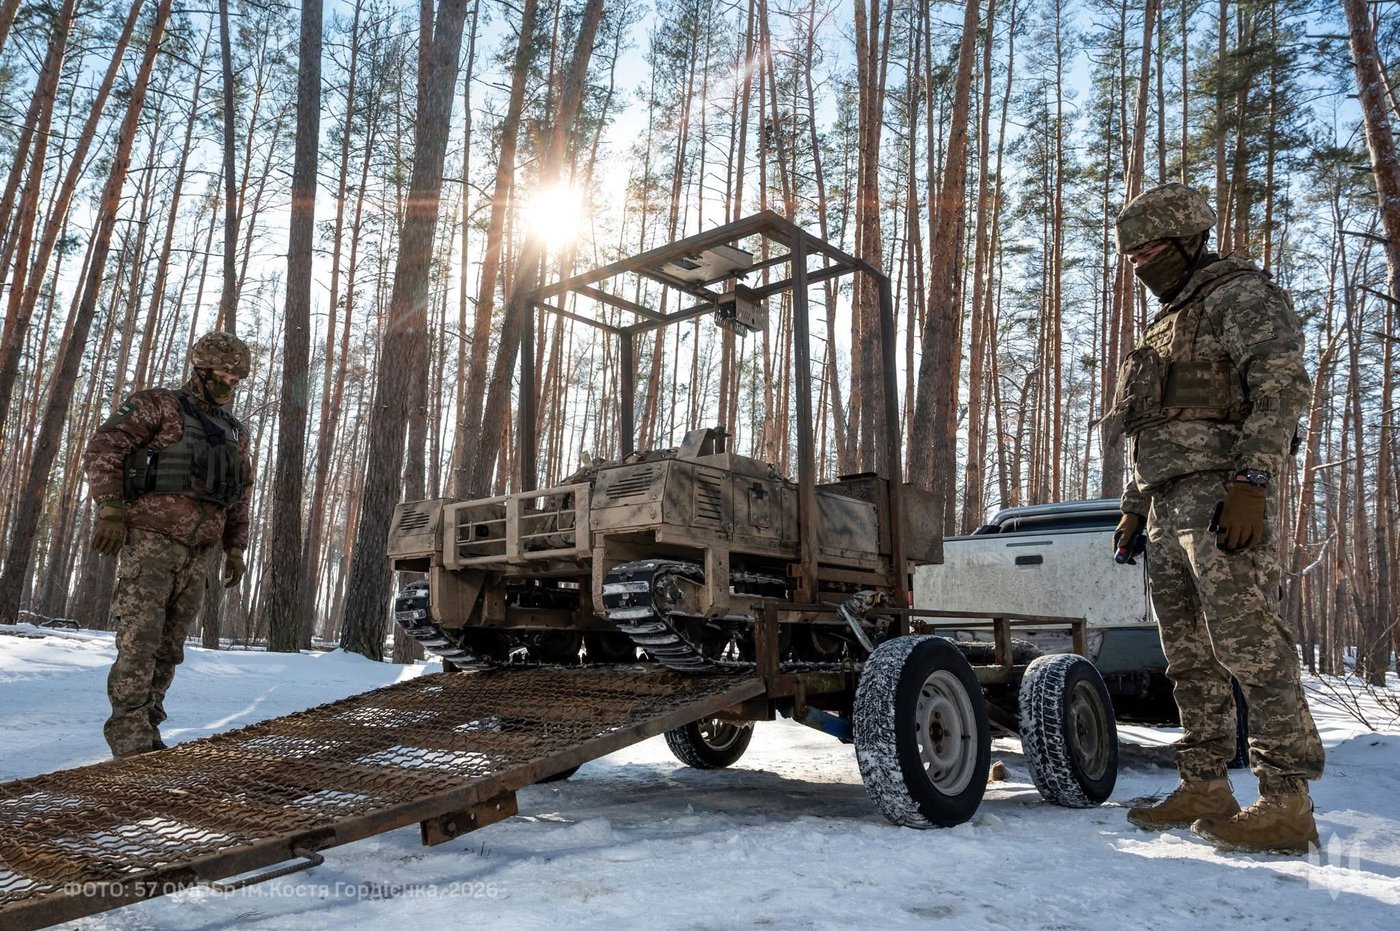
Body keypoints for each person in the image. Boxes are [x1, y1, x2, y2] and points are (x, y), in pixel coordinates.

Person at [1108, 183, 1324, 854]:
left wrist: (1254, 477)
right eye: (1133, 255)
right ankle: (1205, 782)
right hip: (1168, 501)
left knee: (1250, 644)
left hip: (1221, 494)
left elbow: (1282, 384)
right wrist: (1134, 505)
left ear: (1187, 239)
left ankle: (1287, 799)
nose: (1141, 264)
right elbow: (1149, 419)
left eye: (1150, 251)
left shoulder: (1239, 294)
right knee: (1189, 658)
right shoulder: (1167, 320)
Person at [83, 331, 254, 758]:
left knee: (169, 648)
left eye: (237, 380)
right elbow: (105, 448)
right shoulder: (156, 404)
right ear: (200, 370)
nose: (230, 385)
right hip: (151, 542)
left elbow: (240, 491)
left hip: (200, 552)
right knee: (139, 642)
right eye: (223, 376)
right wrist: (110, 510)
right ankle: (129, 738)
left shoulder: (234, 430)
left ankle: (150, 728)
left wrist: (236, 547)